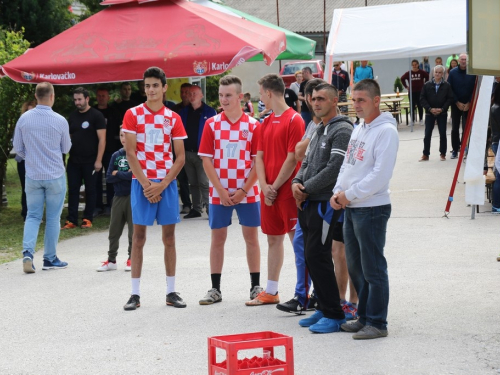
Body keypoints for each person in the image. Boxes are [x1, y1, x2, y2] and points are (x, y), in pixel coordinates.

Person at [331, 79, 399, 340]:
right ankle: (364, 316)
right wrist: (338, 191)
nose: (356, 104)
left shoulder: (386, 132)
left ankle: (378, 323)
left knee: (373, 268)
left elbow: (380, 175)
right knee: (356, 268)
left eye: (361, 100)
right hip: (351, 206)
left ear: (376, 100)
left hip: (371, 208)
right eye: (354, 99)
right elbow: (348, 164)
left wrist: (349, 195)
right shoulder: (360, 127)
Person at [122, 66, 187, 311]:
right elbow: (130, 153)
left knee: (169, 238)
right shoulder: (132, 114)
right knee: (138, 238)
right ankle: (135, 294)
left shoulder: (174, 117)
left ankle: (171, 291)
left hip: (166, 184)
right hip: (142, 185)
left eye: (155, 85)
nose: (151, 90)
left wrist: (163, 183)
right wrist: (148, 185)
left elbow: (179, 157)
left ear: (164, 87)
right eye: (147, 85)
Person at [290, 83, 353, 333]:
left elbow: (335, 168)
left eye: (321, 99)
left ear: (335, 100)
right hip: (308, 200)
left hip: (324, 202)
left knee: (320, 255)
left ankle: (335, 313)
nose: (315, 103)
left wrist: (306, 189)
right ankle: (324, 307)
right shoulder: (317, 128)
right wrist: (296, 181)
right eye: (313, 99)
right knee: (311, 256)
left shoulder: (342, 129)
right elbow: (305, 162)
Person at [197, 75, 262, 305]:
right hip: (219, 193)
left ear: (240, 97)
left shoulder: (254, 125)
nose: (223, 99)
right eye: (221, 95)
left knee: (251, 238)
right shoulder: (211, 124)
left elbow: (257, 163)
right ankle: (215, 289)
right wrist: (221, 191)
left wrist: (243, 190)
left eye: (228, 95)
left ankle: (256, 286)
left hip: (248, 192)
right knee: (217, 239)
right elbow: (206, 160)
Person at [245, 73, 304, 306]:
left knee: (295, 240)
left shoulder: (294, 120)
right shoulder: (265, 122)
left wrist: (275, 187)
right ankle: (271, 291)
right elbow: (258, 157)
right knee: (273, 239)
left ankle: (304, 291)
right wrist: (263, 186)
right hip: (269, 191)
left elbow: (292, 158)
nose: (260, 98)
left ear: (269, 93)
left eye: (261, 94)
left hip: (287, 191)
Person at [13, 82, 72, 273]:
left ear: (36, 96)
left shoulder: (24, 119)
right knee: (53, 218)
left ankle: (28, 253)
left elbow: (18, 149)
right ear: (52, 96)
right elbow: (66, 148)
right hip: (55, 174)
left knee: (32, 215)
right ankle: (50, 258)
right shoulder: (60, 120)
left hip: (33, 174)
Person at [62, 87, 106, 229]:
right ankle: (71, 220)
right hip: (74, 160)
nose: (77, 102)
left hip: (91, 160)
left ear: (87, 99)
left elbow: (102, 140)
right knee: (73, 189)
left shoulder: (96, 116)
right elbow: (68, 137)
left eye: (79, 99)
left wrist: (98, 160)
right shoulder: (72, 116)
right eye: (75, 100)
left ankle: (87, 218)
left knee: (90, 190)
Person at [96, 128, 133, 272]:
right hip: (118, 196)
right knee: (114, 230)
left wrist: (119, 173)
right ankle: (111, 260)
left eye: (126, 135)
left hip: (132, 196)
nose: (124, 138)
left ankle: (132, 259)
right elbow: (109, 177)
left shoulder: (137, 154)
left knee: (133, 231)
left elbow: (135, 176)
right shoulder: (116, 155)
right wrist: (124, 174)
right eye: (121, 135)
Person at [179, 85, 217, 218]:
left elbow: (214, 134)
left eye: (195, 93)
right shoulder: (183, 112)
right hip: (187, 153)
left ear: (201, 95)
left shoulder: (210, 112)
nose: (192, 96)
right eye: (190, 94)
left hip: (203, 154)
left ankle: (210, 208)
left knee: (204, 182)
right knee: (193, 183)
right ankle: (196, 209)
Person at [94, 87, 122, 216]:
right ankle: (97, 205)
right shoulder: (92, 112)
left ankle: (111, 205)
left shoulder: (114, 112)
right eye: (99, 95)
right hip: (95, 151)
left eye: (104, 96)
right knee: (95, 179)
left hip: (111, 150)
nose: (101, 98)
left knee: (111, 178)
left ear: (108, 97)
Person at [419, 65, 454, 162]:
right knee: (427, 134)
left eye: (439, 72)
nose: (437, 74)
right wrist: (429, 109)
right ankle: (425, 154)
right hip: (430, 113)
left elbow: (450, 99)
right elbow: (422, 98)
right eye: (436, 72)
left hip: (442, 113)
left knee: (442, 134)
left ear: (442, 74)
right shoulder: (427, 85)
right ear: (433, 73)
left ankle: (443, 154)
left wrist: (442, 109)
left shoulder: (447, 85)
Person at [447, 53, 476, 159]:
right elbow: (449, 88)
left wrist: (469, 102)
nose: (464, 61)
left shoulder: (472, 72)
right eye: (462, 59)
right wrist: (456, 102)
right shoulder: (453, 72)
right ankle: (455, 149)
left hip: (469, 104)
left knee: (466, 128)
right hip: (456, 104)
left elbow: (475, 88)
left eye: (465, 59)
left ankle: (465, 149)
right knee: (455, 128)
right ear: (458, 61)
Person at [171, 82, 193, 215]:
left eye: (187, 92)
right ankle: (186, 204)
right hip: (178, 149)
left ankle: (199, 203)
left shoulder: (196, 108)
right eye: (182, 92)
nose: (184, 95)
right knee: (182, 178)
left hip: (193, 149)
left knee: (197, 180)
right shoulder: (175, 109)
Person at [15, 100, 37, 221]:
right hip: (24, 160)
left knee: (36, 188)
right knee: (26, 187)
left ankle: (35, 213)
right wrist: (26, 156)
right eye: (27, 112)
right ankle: (26, 213)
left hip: (36, 161)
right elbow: (17, 145)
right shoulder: (20, 124)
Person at [401, 59, 429, 124]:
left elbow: (427, 76)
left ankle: (421, 119)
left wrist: (425, 84)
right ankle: (412, 120)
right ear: (411, 65)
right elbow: (402, 78)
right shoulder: (409, 73)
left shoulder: (421, 72)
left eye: (415, 64)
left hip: (420, 91)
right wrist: (406, 86)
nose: (414, 66)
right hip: (411, 92)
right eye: (413, 65)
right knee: (412, 106)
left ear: (418, 65)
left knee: (420, 105)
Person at [489, 86, 500, 213]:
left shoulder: (494, 107)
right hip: (498, 141)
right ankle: (496, 204)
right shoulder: (497, 108)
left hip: (496, 140)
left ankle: (496, 204)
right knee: (499, 175)